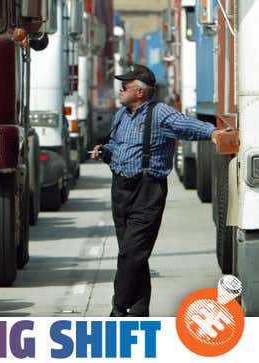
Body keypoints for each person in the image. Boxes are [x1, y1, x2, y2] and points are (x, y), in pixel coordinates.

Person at [91, 64, 226, 317]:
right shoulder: (121, 115)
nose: (120, 88)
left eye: (126, 85)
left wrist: (213, 132)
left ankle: (119, 307)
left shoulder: (160, 113)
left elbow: (187, 126)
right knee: (132, 254)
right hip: (120, 189)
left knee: (132, 253)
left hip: (147, 190)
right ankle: (139, 312)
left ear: (140, 92)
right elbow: (116, 145)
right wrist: (105, 151)